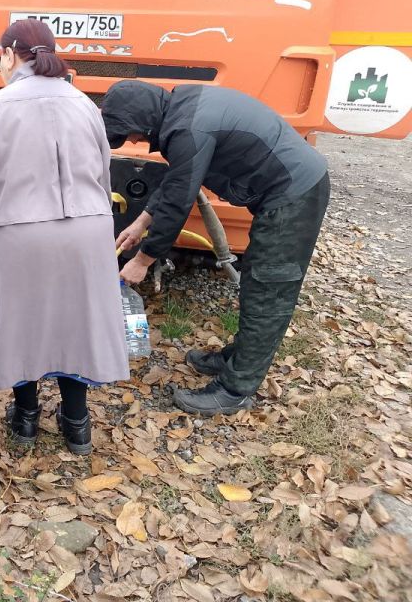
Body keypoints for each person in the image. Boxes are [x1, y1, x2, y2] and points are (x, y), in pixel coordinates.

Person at [102, 80, 329, 416]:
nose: (134, 141)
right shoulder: (183, 112)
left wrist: (143, 260)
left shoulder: (188, 129)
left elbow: (178, 201)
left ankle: (236, 389)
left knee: (268, 289)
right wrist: (140, 223)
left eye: (132, 133)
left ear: (144, 118)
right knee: (255, 282)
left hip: (295, 193)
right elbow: (177, 181)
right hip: (286, 189)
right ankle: (237, 359)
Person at [0, 20, 129, 455]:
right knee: (77, 322)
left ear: (9, 55)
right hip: (88, 229)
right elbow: (104, 172)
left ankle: (26, 418)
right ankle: (77, 423)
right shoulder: (85, 105)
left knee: (21, 321)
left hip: (17, 229)